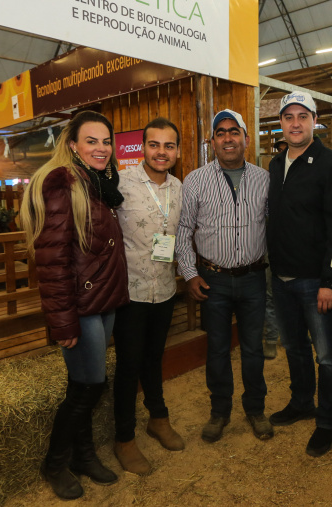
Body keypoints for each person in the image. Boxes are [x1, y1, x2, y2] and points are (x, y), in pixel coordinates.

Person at [21, 110, 129, 500]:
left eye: (106, 141)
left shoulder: (98, 183)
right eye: (91, 141)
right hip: (81, 306)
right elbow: (52, 260)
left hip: (103, 300)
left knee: (84, 383)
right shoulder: (62, 182)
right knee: (89, 387)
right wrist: (63, 322)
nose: (101, 148)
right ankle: (54, 463)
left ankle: (83, 456)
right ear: (72, 145)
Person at [176, 109, 273, 443]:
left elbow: (275, 225)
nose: (228, 138)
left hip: (253, 278)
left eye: (234, 132)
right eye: (221, 133)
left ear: (245, 138)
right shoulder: (195, 180)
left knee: (253, 349)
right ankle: (219, 412)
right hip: (212, 280)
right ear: (212, 141)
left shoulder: (264, 179)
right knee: (217, 349)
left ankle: (255, 409)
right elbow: (184, 229)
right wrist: (190, 274)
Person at [267, 91, 332, 457]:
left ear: (315, 121)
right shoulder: (276, 163)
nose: (296, 123)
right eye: (289, 117)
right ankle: (302, 401)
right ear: (281, 123)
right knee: (295, 347)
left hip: (316, 281)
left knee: (327, 355)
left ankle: (328, 419)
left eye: (303, 116)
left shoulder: (331, 165)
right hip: (282, 277)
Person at [112, 117, 183, 475]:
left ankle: (158, 418)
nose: (161, 152)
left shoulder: (179, 187)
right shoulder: (120, 183)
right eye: (154, 145)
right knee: (128, 366)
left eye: (169, 146)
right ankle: (124, 438)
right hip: (130, 293)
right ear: (142, 148)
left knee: (154, 358)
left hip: (165, 289)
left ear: (177, 151)